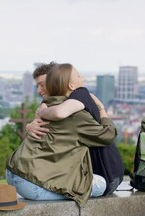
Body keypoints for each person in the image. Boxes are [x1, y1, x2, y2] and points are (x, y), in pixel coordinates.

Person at [6, 63, 117, 206]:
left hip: (13, 171)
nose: (40, 90)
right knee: (101, 184)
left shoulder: (46, 105)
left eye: (43, 85)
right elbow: (107, 135)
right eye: (79, 75)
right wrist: (102, 110)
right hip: (30, 182)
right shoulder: (76, 112)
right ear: (70, 85)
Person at [29, 64, 125, 195]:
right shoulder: (57, 102)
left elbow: (59, 113)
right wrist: (30, 125)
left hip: (106, 174)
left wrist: (102, 109)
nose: (39, 90)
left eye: (43, 84)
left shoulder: (78, 96)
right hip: (92, 172)